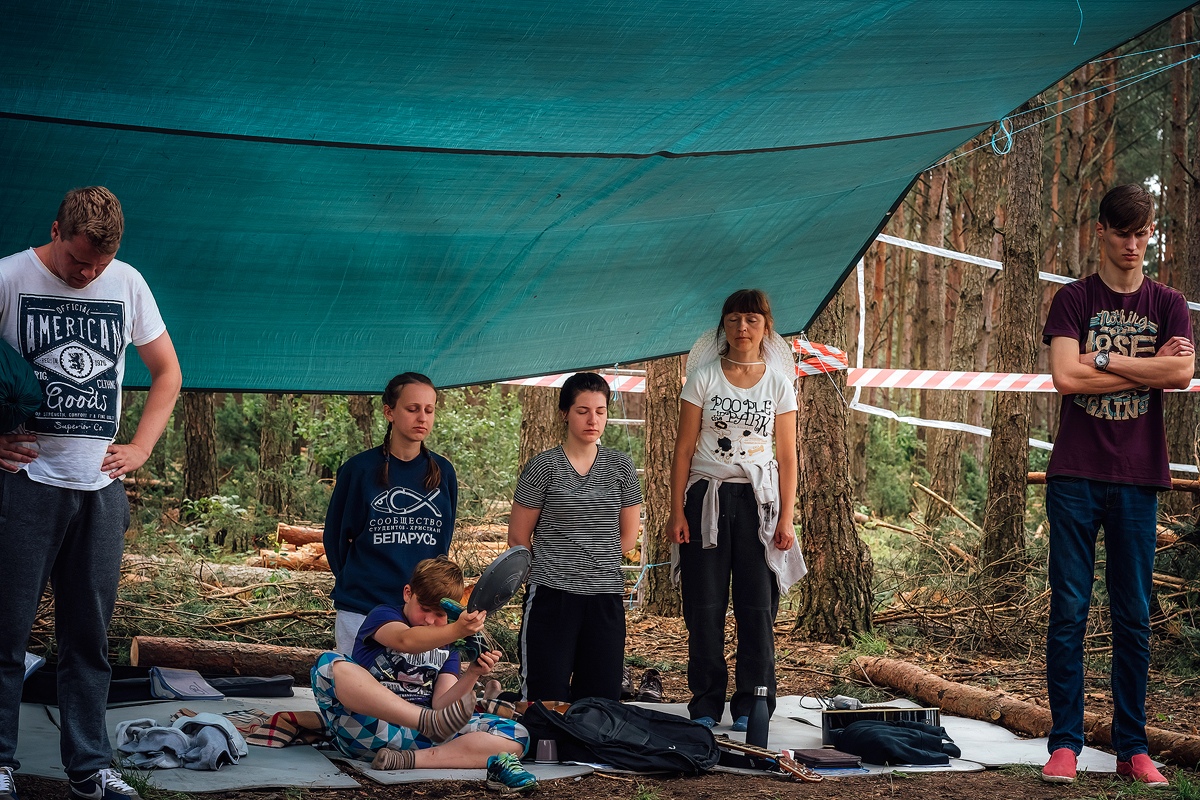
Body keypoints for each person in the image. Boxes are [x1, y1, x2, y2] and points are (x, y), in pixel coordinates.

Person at [0, 187, 182, 800]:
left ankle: (89, 768)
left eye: (99, 264)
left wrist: (142, 447)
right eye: (79, 261)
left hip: (100, 490)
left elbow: (167, 372)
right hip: (25, 483)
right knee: (6, 633)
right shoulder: (8, 278)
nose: (87, 274)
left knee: (88, 639)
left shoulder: (127, 282)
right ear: (56, 231)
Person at [1040, 184, 1193, 787]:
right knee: (1069, 611)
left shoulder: (1169, 302)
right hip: (1075, 475)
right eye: (1122, 233)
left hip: (1138, 476)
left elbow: (1182, 372)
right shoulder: (1073, 299)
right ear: (1101, 231)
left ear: (1149, 234)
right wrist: (1147, 368)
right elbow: (1064, 377)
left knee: (1132, 615)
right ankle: (1065, 745)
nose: (1132, 244)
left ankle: (1134, 747)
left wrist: (1099, 361)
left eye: (1141, 233)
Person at [666, 288, 806, 730]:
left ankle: (752, 703)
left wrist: (786, 517)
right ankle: (706, 704)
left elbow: (788, 457)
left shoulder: (778, 384)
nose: (742, 328)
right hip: (705, 499)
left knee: (757, 606)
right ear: (723, 326)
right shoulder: (703, 378)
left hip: (759, 504)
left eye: (751, 319)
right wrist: (676, 511)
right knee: (704, 607)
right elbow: (683, 449)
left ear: (766, 327)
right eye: (733, 319)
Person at [311, 556, 537, 792]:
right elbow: (405, 640)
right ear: (408, 593)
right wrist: (456, 629)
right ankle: (425, 722)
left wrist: (473, 673)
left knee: (517, 735)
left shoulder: (449, 645)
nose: (430, 620)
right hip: (369, 727)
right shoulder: (384, 616)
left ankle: (408, 760)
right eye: (425, 609)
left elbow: (442, 704)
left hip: (422, 738)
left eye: (440, 614)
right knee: (328, 664)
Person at [508, 372, 643, 703]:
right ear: (565, 413)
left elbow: (628, 538)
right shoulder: (543, 467)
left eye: (600, 411)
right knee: (544, 697)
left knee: (599, 702)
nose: (592, 419)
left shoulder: (621, 467)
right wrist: (558, 568)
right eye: (582, 411)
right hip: (551, 595)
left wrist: (592, 563)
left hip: (605, 597)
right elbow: (518, 537)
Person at [324, 372, 458, 655]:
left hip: (421, 612)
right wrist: (360, 582)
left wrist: (427, 597)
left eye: (429, 410)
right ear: (389, 412)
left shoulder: (443, 473)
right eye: (412, 409)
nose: (422, 418)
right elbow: (335, 539)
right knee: (359, 683)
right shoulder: (359, 470)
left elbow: (441, 543)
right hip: (362, 608)